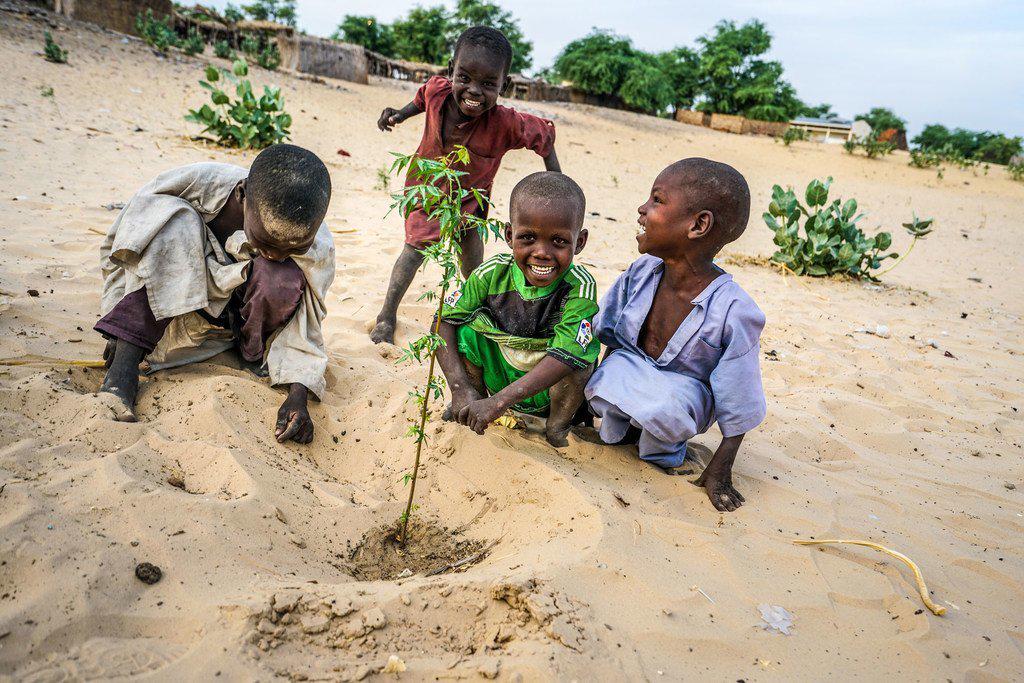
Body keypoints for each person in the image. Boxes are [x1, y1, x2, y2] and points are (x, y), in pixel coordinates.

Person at [94, 144, 335, 444]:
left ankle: (250, 353)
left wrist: (297, 395)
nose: (275, 254)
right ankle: (123, 370)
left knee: (280, 276)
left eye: (293, 248)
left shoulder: (315, 242)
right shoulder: (192, 186)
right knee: (173, 223)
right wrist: (123, 333)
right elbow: (126, 249)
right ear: (242, 195)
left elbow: (307, 325)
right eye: (264, 241)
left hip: (241, 323)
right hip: (178, 307)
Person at [584, 158, 767, 512]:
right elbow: (606, 332)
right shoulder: (642, 271)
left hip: (682, 397)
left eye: (656, 200)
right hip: (635, 373)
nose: (642, 210)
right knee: (604, 380)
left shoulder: (734, 309)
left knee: (667, 407)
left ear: (698, 225)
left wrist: (721, 468)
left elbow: (739, 395)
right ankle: (624, 429)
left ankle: (664, 448)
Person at [370, 25, 561, 345]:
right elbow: (420, 100)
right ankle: (387, 316)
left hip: (471, 202)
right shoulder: (436, 91)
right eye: (465, 78)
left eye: (488, 84)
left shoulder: (506, 123)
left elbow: (545, 136)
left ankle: (481, 312)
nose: (474, 91)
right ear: (450, 72)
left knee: (471, 262)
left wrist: (558, 187)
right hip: (427, 190)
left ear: (505, 85)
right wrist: (398, 116)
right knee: (414, 249)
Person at [435, 172, 598, 447]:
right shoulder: (491, 274)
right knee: (465, 332)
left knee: (579, 361)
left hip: (547, 389)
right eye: (528, 238)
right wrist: (459, 388)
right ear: (510, 235)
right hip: (499, 380)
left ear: (579, 242)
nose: (542, 252)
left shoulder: (579, 287)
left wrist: (499, 403)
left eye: (559, 241)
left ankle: (557, 428)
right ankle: (471, 405)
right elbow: (442, 323)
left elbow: (566, 355)